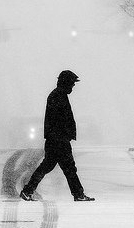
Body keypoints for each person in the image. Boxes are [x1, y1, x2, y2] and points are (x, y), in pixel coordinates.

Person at [20, 70, 95, 202]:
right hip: (58, 141)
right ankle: (78, 194)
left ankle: (28, 191)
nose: (73, 86)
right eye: (72, 83)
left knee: (49, 166)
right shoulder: (58, 96)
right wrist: (64, 136)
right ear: (66, 83)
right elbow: (59, 120)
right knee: (68, 168)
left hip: (56, 139)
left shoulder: (58, 95)